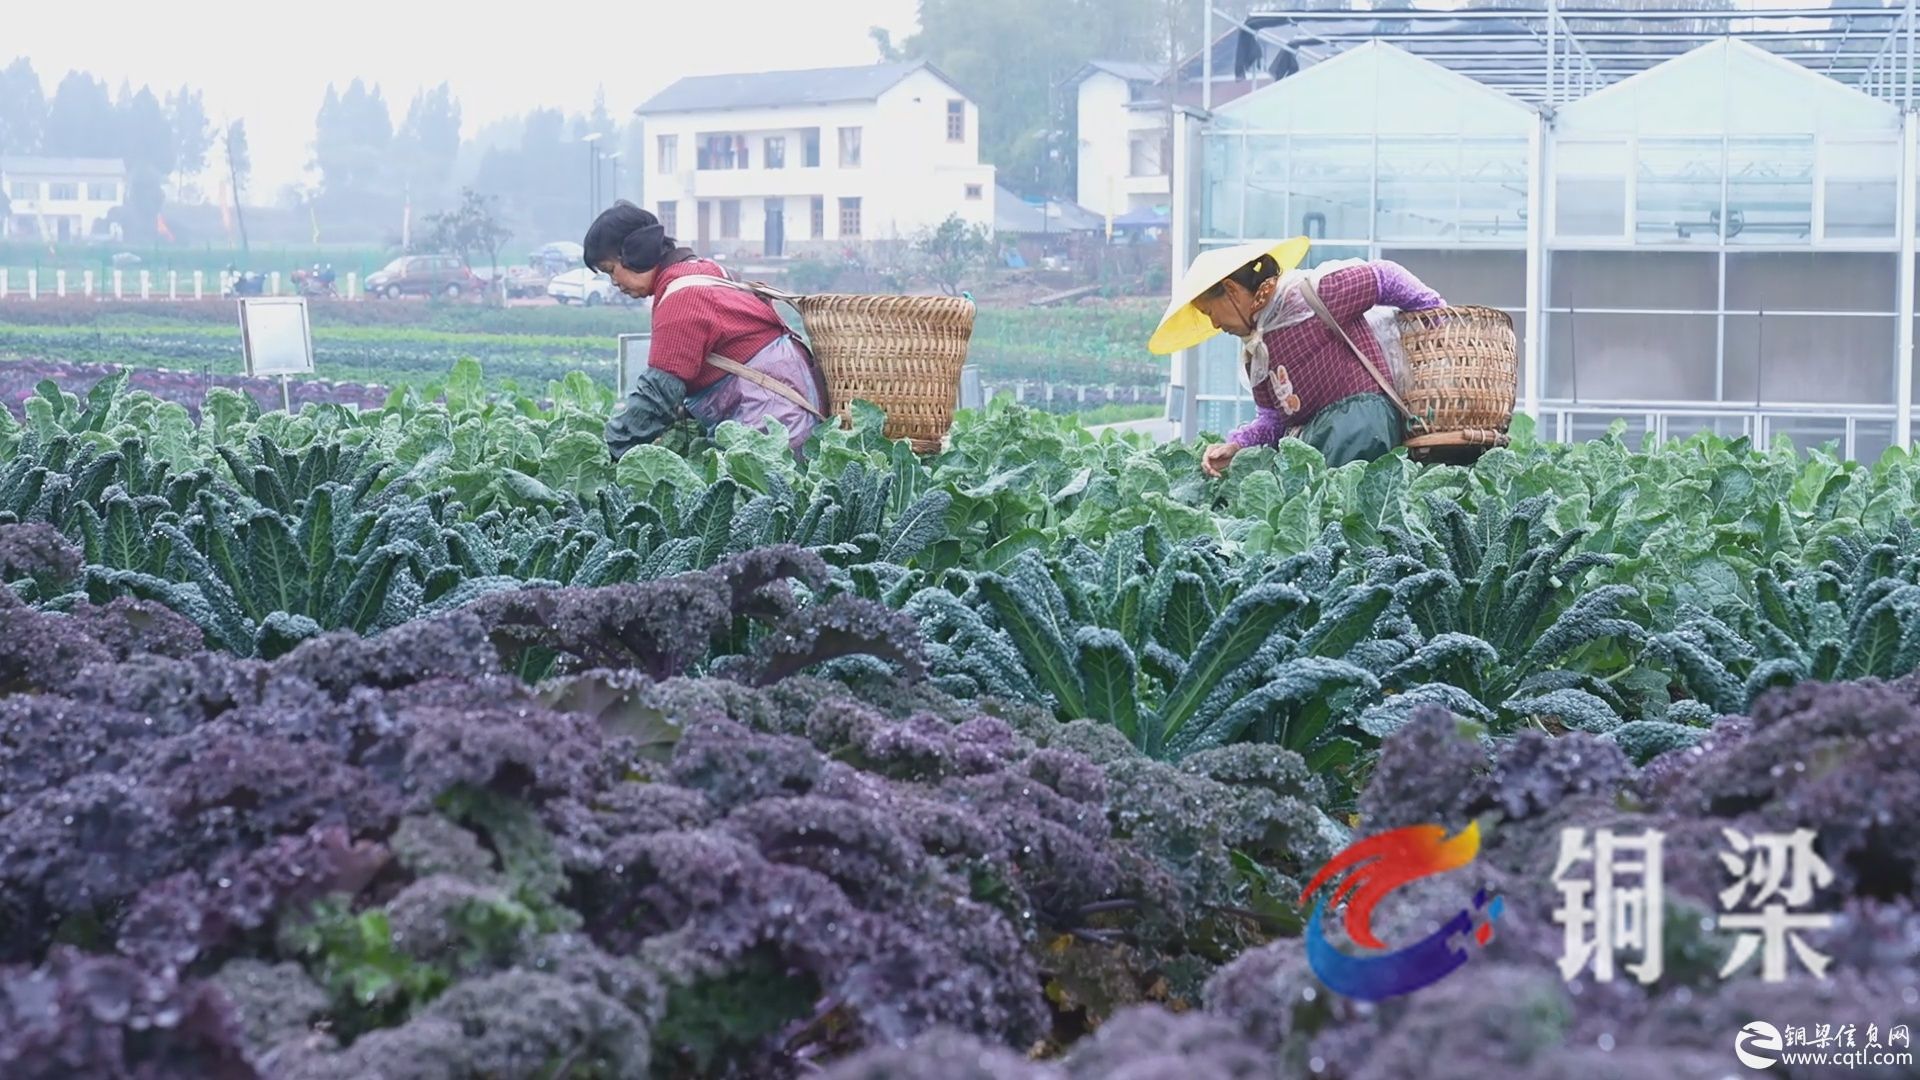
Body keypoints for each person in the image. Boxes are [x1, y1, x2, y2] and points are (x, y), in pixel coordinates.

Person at [1147, 238, 1446, 473]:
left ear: (1232, 290)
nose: (1214, 324)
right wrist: (1236, 445)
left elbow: (1385, 277)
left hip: (1360, 427)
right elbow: (1273, 421)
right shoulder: (1258, 352)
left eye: (1211, 311)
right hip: (1314, 442)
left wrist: (1437, 319)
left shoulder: (1313, 297)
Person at [585, 201, 829, 458]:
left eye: (611, 270)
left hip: (774, 429)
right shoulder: (705, 271)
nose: (614, 282)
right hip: (787, 415)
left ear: (638, 252)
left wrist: (607, 452)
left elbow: (658, 395)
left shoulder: (684, 298)